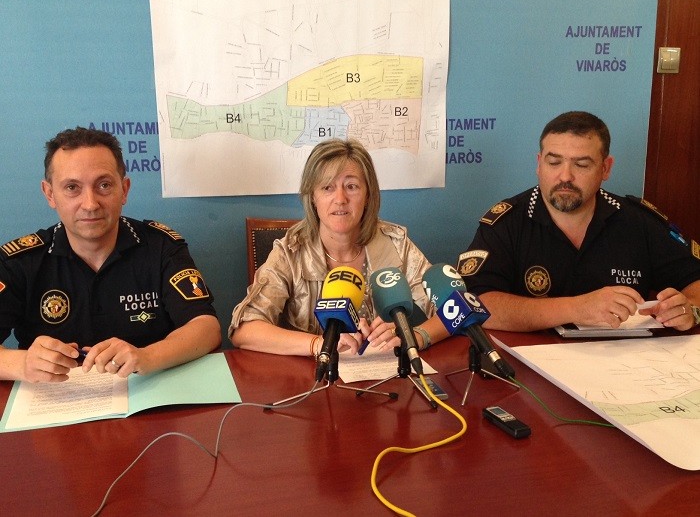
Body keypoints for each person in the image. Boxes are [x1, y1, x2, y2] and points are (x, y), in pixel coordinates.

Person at [0, 127, 221, 383]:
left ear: (124, 189)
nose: (90, 204)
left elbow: (206, 327)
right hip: (52, 398)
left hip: (147, 391)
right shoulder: (21, 262)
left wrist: (147, 356)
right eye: (72, 187)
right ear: (50, 194)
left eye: (104, 185)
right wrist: (23, 364)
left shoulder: (161, 247)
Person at [458, 111, 700, 332]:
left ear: (605, 168)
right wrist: (578, 308)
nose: (565, 176)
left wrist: (690, 309)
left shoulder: (638, 221)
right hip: (528, 357)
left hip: (626, 358)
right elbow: (476, 304)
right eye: (554, 162)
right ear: (539, 164)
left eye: (581, 164)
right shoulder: (506, 223)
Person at [229, 138, 447, 356]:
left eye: (351, 187)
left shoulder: (395, 245)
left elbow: (455, 309)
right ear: (312, 197)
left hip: (385, 371)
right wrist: (320, 345)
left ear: (368, 195)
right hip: (313, 372)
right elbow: (244, 329)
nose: (340, 199)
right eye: (327, 187)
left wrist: (414, 336)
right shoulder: (290, 252)